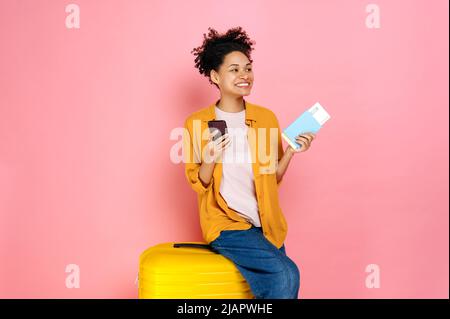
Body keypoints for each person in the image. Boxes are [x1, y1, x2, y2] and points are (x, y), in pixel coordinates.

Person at [183, 27, 316, 299]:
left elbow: (272, 177)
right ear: (215, 76)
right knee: (286, 274)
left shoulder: (265, 118)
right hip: (226, 224)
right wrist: (209, 159)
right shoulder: (197, 123)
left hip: (265, 224)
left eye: (248, 68)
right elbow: (199, 184)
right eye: (234, 70)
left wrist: (290, 152)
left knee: (280, 283)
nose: (244, 75)